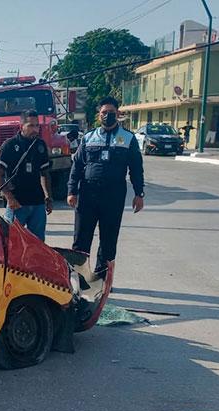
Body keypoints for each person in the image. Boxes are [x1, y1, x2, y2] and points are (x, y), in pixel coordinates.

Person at [67, 96, 145, 276]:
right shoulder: (88, 138)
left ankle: (102, 279)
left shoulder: (128, 138)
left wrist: (139, 193)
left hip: (113, 196)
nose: (107, 116)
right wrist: (72, 191)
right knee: (81, 239)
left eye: (111, 113)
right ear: (98, 115)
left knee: (108, 240)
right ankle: (79, 277)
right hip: (88, 195)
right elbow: (77, 166)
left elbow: (136, 169)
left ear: (117, 114)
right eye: (104, 113)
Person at [0, 110, 52, 241]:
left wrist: (48, 197)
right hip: (17, 204)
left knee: (37, 245)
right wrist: (9, 198)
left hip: (37, 203)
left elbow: (45, 173)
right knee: (11, 243)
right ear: (21, 127)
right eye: (31, 126)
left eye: (37, 125)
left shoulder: (40, 145)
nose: (35, 129)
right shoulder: (9, 145)